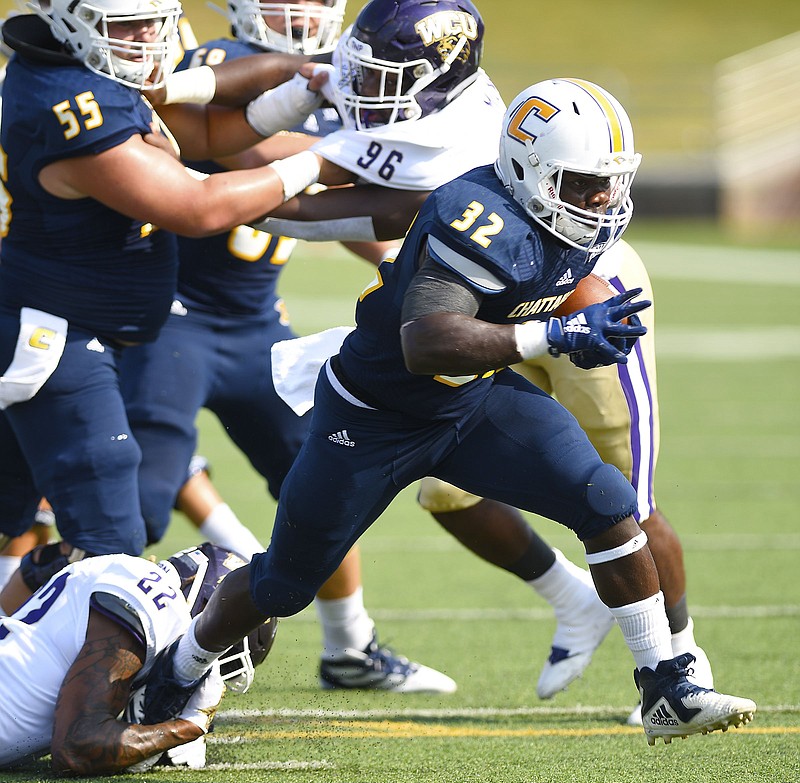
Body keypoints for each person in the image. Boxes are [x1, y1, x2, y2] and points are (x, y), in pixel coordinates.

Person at [143, 78, 757, 746]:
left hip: (472, 400)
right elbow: (426, 341)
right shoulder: (476, 215)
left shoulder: (562, 207)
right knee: (285, 583)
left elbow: (567, 275)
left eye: (610, 181)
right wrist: (553, 337)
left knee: (607, 501)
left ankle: (665, 681)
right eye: (585, 182)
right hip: (373, 416)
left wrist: (597, 317)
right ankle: (180, 666)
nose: (603, 198)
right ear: (533, 173)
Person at [112, 0, 455, 694]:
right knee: (138, 504)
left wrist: (400, 262)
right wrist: (340, 156)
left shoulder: (344, 87)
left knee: (328, 473)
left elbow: (354, 210)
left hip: (259, 323)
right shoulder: (219, 64)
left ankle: (350, 646)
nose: (299, 10)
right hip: (176, 318)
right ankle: (97, 648)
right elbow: (241, 150)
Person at [0, 0, 346, 590]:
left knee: (22, 515)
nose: (145, 37)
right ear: (66, 18)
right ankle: (79, 672)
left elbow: (210, 131)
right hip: (52, 334)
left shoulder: (92, 68)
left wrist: (313, 83)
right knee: (112, 547)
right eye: (125, 23)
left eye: (154, 18)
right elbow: (196, 206)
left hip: (72, 325)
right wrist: (318, 159)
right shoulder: (67, 99)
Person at [418, 238, 714, 724]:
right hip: (496, 304)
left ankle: (684, 662)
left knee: (628, 502)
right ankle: (573, 600)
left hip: (589, 297)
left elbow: (596, 199)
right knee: (446, 491)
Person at [0, 542, 277, 774]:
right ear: (207, 607)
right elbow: (76, 748)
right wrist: (187, 727)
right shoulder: (157, 605)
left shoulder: (128, 572)